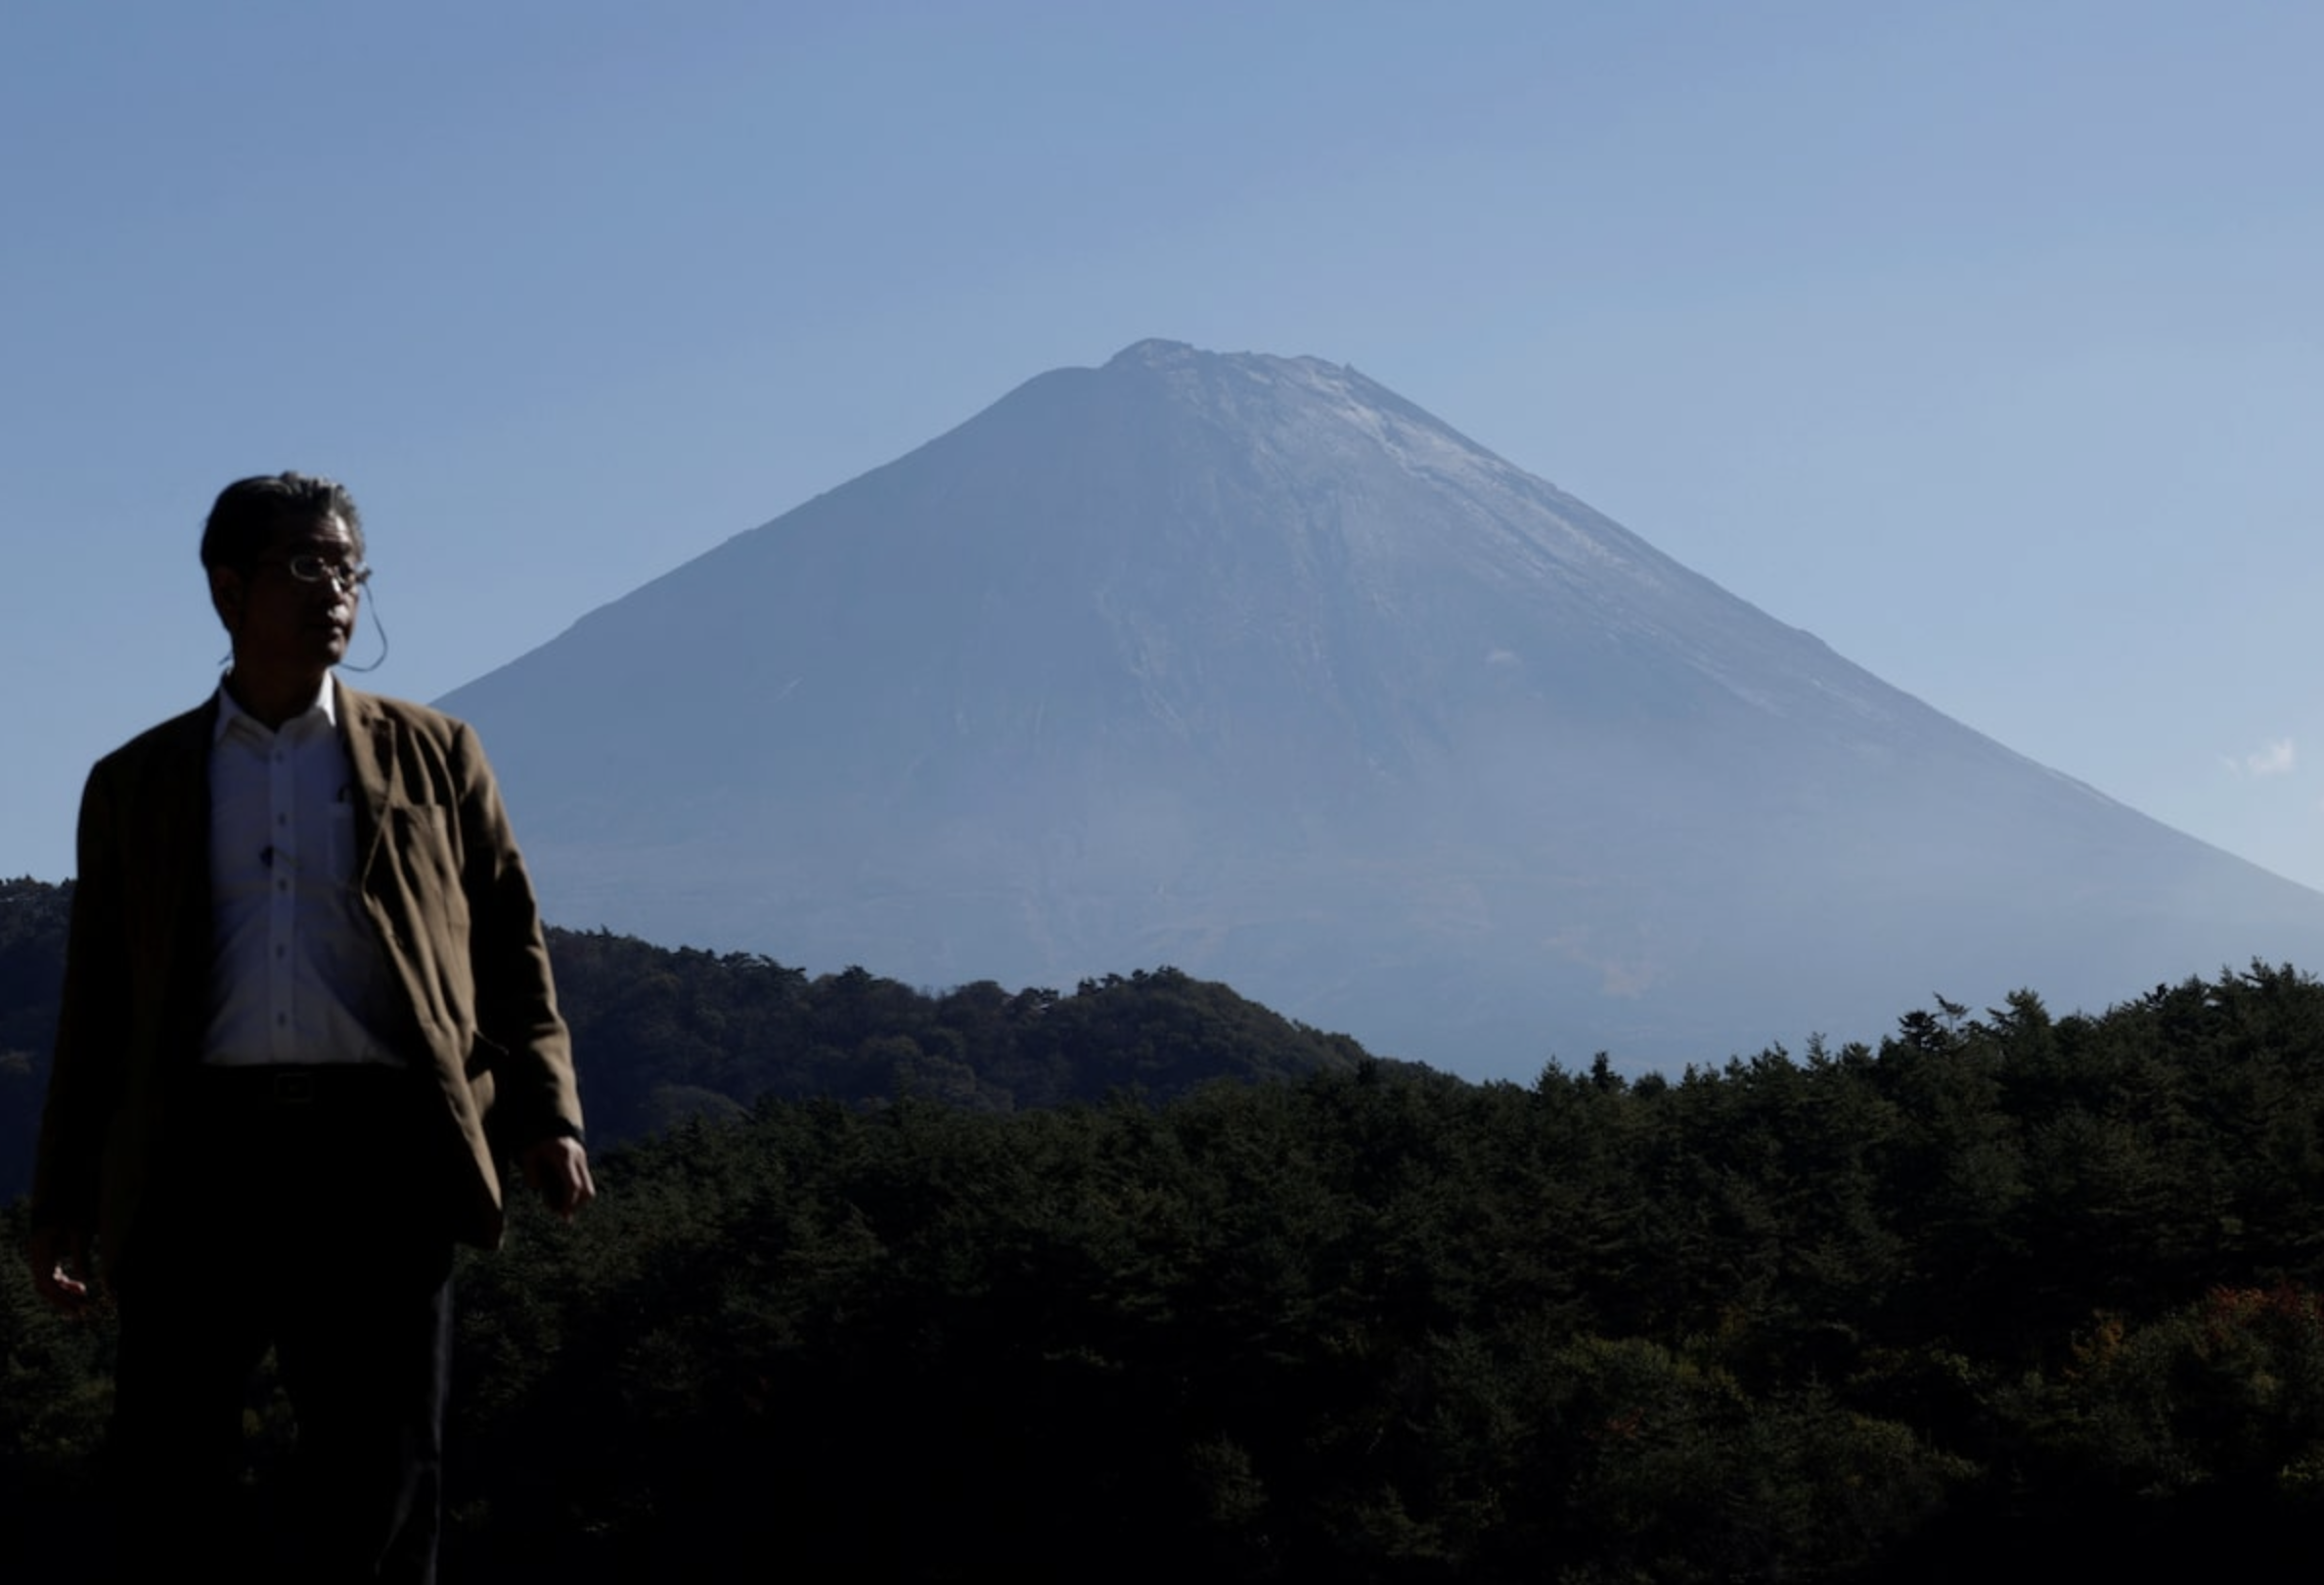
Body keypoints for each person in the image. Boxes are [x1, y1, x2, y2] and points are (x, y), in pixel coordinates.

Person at [24, 472, 592, 1581]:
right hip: (198, 1154)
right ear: (227, 589)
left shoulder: (439, 756)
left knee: (382, 1479)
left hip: (381, 1151)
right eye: (305, 564)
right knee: (166, 1475)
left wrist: (546, 1114)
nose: (336, 590)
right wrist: (62, 1200)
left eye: (348, 567)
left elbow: (510, 949)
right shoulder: (135, 783)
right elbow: (96, 1006)